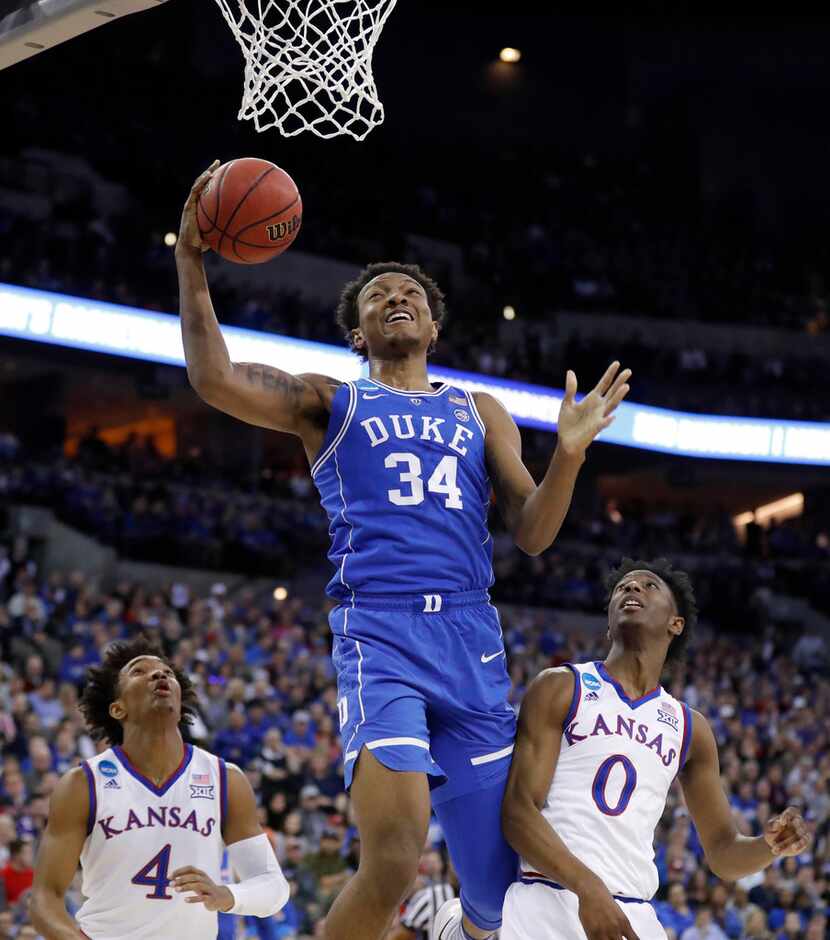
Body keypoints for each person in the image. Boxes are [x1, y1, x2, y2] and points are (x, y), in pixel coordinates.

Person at [176, 163, 631, 940]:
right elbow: (216, 380)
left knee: (493, 893)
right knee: (394, 856)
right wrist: (191, 262)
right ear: (359, 332)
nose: (398, 299)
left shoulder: (479, 410)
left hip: (469, 636)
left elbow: (533, 533)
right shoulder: (332, 400)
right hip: (380, 634)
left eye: (412, 294)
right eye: (379, 296)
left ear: (434, 327)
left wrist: (571, 457)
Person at [500, 558, 813, 940]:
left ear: (675, 624)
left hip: (633, 912)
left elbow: (723, 852)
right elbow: (518, 811)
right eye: (622, 588)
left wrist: (768, 846)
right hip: (548, 895)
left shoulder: (690, 728)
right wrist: (589, 888)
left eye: (648, 586)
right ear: (609, 621)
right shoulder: (561, 686)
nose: (631, 589)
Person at [30, 635, 290, 939]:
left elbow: (273, 887)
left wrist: (227, 895)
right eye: (139, 672)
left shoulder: (225, 778)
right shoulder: (84, 783)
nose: (159, 674)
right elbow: (44, 899)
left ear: (180, 706)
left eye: (166, 672)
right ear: (118, 709)